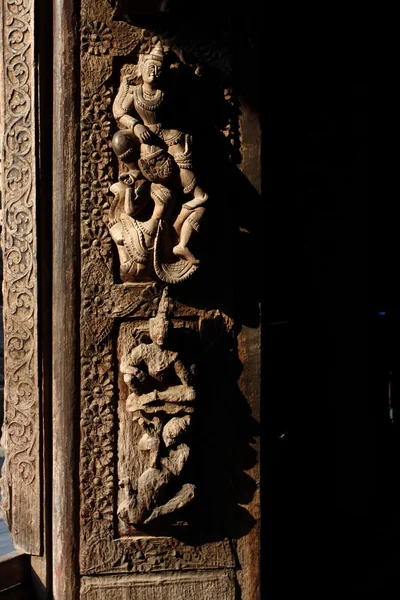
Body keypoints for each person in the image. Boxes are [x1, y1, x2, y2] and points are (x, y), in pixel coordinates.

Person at [112, 39, 207, 267]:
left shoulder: (166, 93)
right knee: (121, 140)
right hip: (146, 142)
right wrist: (136, 126)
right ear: (142, 69)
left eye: (158, 70)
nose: (154, 73)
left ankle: (179, 232)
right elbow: (119, 111)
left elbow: (182, 114)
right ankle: (137, 174)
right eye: (150, 68)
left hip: (168, 137)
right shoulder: (134, 90)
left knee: (191, 185)